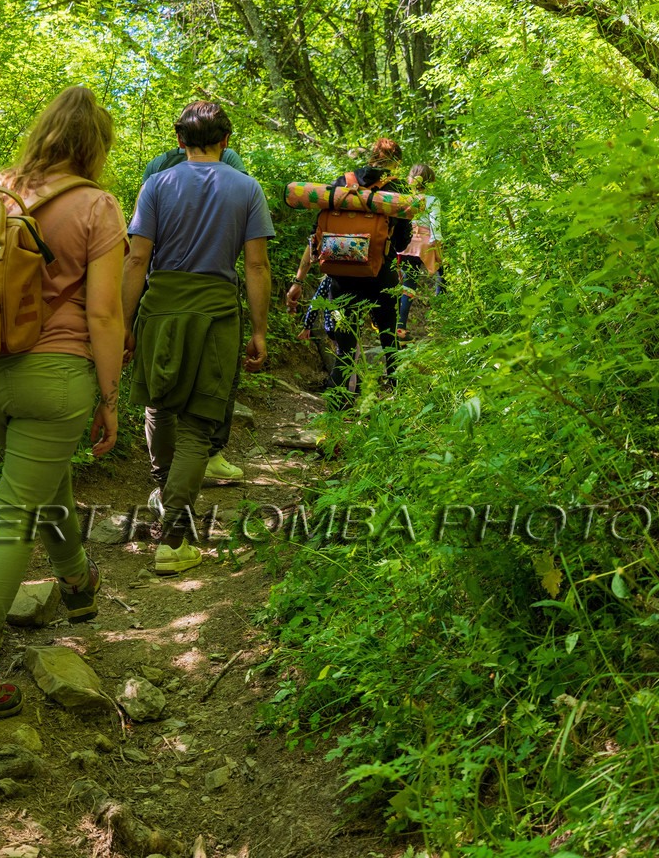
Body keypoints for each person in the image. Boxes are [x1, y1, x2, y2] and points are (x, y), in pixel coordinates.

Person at [0, 86, 125, 721]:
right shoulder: (98, 207)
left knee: (39, 482)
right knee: (15, 515)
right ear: (97, 146)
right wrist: (111, 394)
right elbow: (104, 310)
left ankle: (76, 581)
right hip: (54, 377)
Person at [123, 101, 273, 574]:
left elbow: (135, 260)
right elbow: (255, 264)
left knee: (158, 406)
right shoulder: (247, 188)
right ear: (226, 141)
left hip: (160, 307)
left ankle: (164, 492)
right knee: (197, 422)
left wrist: (123, 325)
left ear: (180, 140)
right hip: (215, 312)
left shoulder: (156, 185)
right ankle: (173, 539)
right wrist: (261, 329)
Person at [284, 138, 412, 400]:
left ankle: (338, 412)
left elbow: (316, 235)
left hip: (341, 279)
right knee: (389, 342)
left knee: (344, 349)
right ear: (396, 162)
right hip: (381, 279)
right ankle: (400, 402)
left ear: (371, 157)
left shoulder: (343, 182)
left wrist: (298, 281)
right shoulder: (397, 188)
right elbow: (402, 242)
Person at [396, 163, 443, 336]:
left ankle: (400, 327)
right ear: (429, 182)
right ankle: (440, 315)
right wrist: (438, 248)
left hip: (406, 244)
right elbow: (435, 228)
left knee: (409, 285)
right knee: (443, 272)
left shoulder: (404, 199)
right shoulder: (432, 200)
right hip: (424, 244)